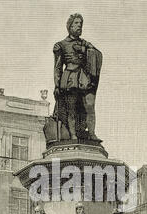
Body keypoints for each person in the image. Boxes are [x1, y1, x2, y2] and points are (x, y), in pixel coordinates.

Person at [52, 13, 102, 141]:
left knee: (90, 106)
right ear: (69, 26)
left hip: (85, 78)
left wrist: (84, 50)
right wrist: (57, 85)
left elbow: (98, 55)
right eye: (76, 23)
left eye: (81, 23)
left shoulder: (85, 43)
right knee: (71, 109)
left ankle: (91, 133)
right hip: (70, 78)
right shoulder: (61, 45)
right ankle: (73, 135)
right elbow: (58, 67)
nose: (79, 26)